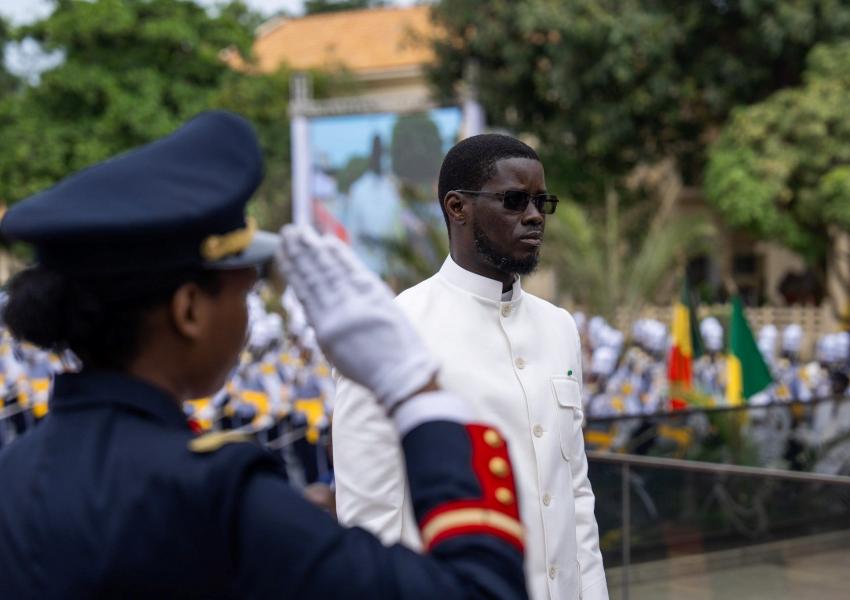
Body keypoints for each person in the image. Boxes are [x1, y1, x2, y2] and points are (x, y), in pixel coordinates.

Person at [0, 111, 528, 599]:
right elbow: (480, 589)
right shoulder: (216, 497)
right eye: (243, 291)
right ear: (189, 311)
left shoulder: (16, 474)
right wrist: (415, 392)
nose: (248, 313)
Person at [333, 134, 608, 600]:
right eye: (514, 200)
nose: (534, 216)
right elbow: (370, 522)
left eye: (542, 202)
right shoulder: (394, 333)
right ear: (457, 207)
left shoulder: (558, 327)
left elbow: (575, 493)